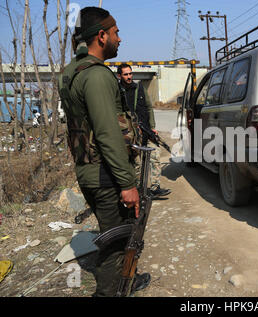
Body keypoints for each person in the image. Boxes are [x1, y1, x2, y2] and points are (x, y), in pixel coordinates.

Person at [58, 6, 150, 296]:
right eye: (115, 33)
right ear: (101, 36)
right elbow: (108, 133)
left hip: (89, 170)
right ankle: (110, 291)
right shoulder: (96, 76)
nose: (119, 39)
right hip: (106, 174)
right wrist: (127, 182)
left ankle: (126, 281)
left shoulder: (72, 72)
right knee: (115, 244)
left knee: (117, 236)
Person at [117, 63, 171, 198]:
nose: (129, 77)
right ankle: (139, 190)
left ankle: (155, 188)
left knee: (155, 156)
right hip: (131, 134)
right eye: (126, 74)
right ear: (120, 76)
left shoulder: (139, 87)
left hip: (146, 130)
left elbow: (149, 108)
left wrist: (152, 126)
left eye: (130, 74)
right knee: (137, 164)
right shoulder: (117, 91)